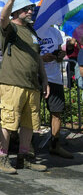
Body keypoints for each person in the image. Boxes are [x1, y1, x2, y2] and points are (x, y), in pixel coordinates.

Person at [0, 0, 48, 174]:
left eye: (31, 8)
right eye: (26, 8)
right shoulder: (11, 29)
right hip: (12, 84)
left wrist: (45, 80)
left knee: (29, 123)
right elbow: (2, 19)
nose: (31, 11)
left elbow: (37, 56)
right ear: (17, 11)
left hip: (32, 85)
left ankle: (24, 158)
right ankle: (2, 159)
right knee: (9, 122)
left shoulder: (31, 30)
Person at [37, 25, 73, 159]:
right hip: (37, 77)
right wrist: (41, 58)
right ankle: (27, 147)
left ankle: (55, 145)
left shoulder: (55, 32)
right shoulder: (32, 31)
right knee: (31, 112)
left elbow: (59, 51)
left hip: (55, 78)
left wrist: (60, 55)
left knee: (56, 112)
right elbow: (26, 57)